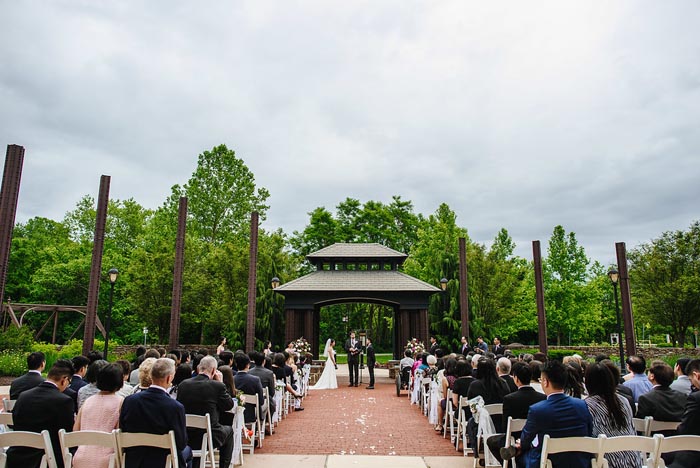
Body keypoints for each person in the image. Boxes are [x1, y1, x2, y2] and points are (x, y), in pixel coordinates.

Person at [501, 360, 592, 468]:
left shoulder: (537, 410)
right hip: (578, 462)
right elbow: (589, 431)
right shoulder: (582, 405)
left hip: (547, 461)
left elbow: (525, 441)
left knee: (520, 456)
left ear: (545, 382)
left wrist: (522, 445)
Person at [119, 358, 191, 468]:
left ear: (151, 376)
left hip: (134, 460)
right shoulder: (175, 407)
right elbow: (180, 443)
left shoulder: (129, 401)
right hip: (163, 461)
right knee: (187, 451)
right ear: (169, 378)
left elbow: (123, 429)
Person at [7, 359, 75, 468]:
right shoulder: (64, 401)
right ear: (64, 380)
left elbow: (15, 423)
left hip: (17, 455)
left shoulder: (24, 396)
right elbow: (66, 434)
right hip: (47, 458)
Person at [177, 355, 234, 468]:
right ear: (214, 370)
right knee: (229, 431)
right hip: (209, 435)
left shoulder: (183, 384)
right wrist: (221, 382)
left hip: (186, 434)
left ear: (199, 368)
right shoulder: (217, 385)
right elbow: (228, 405)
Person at [486, 362, 546, 465]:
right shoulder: (542, 397)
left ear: (516, 378)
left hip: (514, 437)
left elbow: (505, 427)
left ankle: (511, 464)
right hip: (536, 437)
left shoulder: (509, 399)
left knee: (491, 441)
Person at [584, 362, 642, 468]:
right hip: (634, 461)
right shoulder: (624, 401)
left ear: (588, 382)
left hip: (605, 462)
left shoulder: (587, 405)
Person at [72, 363, 124, 468]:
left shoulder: (88, 401)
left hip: (80, 457)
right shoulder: (120, 402)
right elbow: (120, 435)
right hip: (108, 460)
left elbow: (75, 431)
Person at [636, 362, 687, 431]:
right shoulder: (683, 396)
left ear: (652, 376)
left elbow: (640, 425)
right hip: (679, 436)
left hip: (655, 437)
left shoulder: (646, 398)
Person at [669, 359, 700, 468]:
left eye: (691, 381)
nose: (692, 385)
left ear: (697, 376)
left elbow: (686, 428)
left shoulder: (696, 398)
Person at [233, 352, 267, 422]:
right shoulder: (255, 379)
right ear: (248, 365)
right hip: (251, 414)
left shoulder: (232, 379)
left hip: (234, 414)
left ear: (236, 365)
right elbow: (261, 401)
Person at [248, 351, 276, 416]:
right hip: (263, 400)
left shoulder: (249, 372)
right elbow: (272, 392)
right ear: (264, 361)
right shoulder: (269, 373)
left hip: (249, 402)